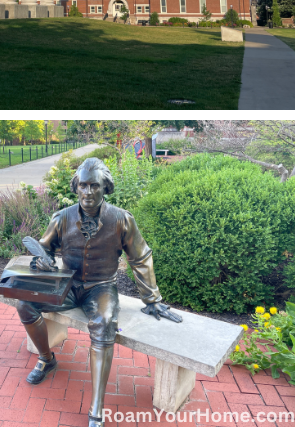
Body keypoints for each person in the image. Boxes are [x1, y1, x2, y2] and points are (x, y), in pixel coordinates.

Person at [15, 158, 182, 427]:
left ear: (105, 188)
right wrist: (41, 260)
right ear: (76, 187)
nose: (88, 192)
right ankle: (47, 359)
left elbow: (140, 257)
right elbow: (43, 247)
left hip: (101, 286)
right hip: (67, 283)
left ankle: (96, 408)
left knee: (104, 323)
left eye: (95, 186)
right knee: (24, 303)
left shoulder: (122, 219)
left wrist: (152, 298)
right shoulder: (61, 218)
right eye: (83, 185)